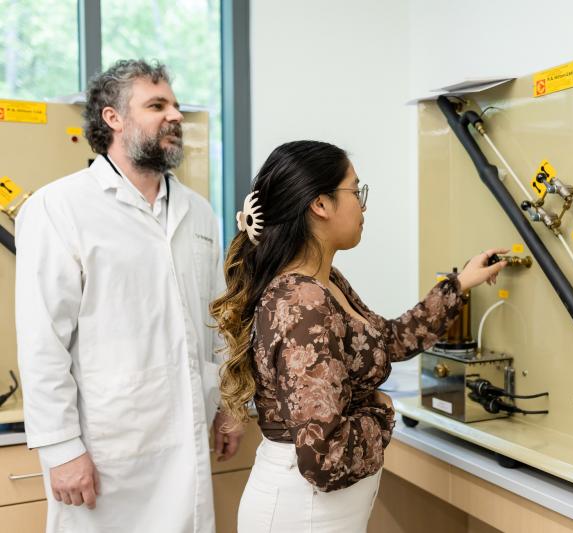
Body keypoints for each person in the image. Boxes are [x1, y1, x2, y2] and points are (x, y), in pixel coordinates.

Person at [210, 140, 507, 532]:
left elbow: (389, 338)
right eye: (355, 190)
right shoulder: (304, 302)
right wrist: (381, 411)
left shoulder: (325, 281)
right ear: (320, 204)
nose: (363, 206)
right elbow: (325, 458)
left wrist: (460, 283)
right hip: (302, 514)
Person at [15, 59, 242, 533]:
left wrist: (230, 406)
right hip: (106, 455)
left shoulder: (197, 213)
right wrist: (61, 449)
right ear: (112, 118)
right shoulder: (58, 207)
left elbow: (217, 321)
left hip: (188, 444)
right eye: (157, 105)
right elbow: (43, 341)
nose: (175, 116)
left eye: (175, 106)